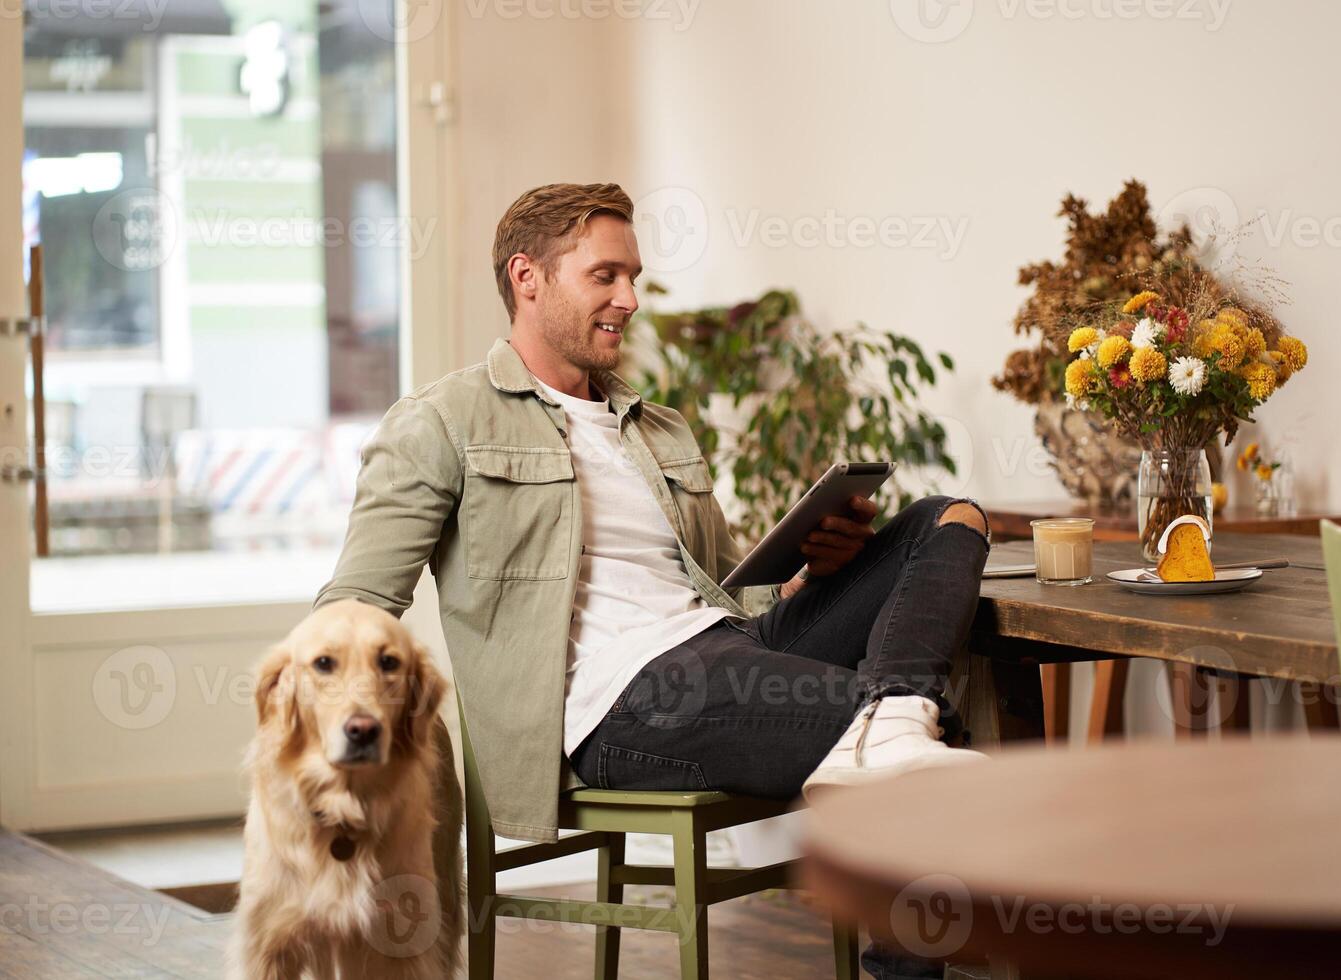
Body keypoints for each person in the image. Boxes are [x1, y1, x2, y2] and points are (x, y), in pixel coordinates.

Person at [316, 182, 991, 978]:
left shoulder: (658, 427)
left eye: (631, 276)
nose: (629, 299)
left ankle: (896, 716)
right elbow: (352, 610)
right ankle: (896, 729)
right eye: (605, 276)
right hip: (616, 705)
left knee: (949, 518)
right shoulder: (444, 420)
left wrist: (816, 573)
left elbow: (732, 595)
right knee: (917, 748)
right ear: (527, 277)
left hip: (722, 649)